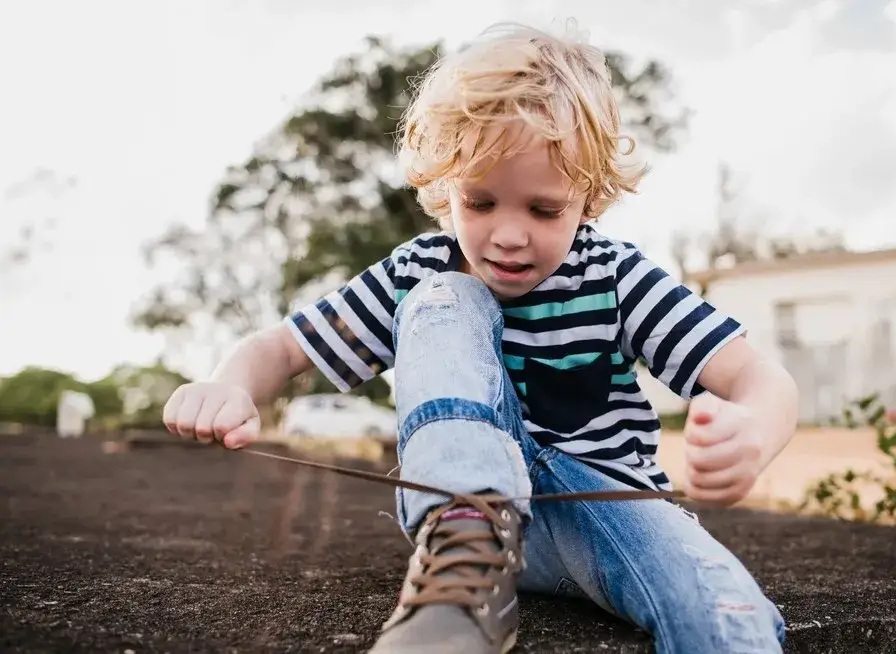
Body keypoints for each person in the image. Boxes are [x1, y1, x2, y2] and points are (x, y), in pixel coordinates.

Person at [162, 21, 799, 653]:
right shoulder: (420, 269)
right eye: (481, 203)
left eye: (543, 209)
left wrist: (756, 430)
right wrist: (228, 385)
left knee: (728, 608)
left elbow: (757, 378)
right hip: (469, 523)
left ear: (588, 198)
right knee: (445, 295)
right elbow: (279, 348)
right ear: (447, 191)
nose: (509, 235)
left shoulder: (612, 274)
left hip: (604, 510)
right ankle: (468, 537)